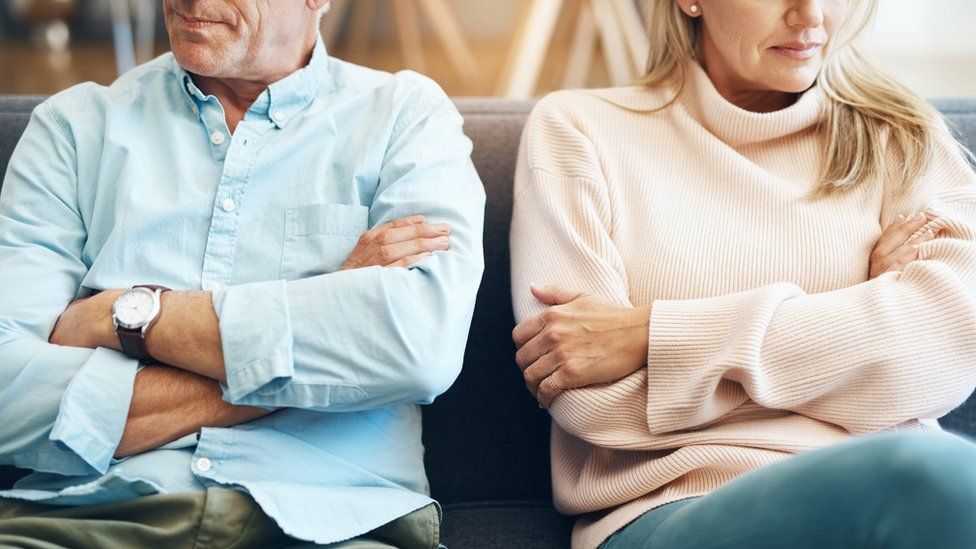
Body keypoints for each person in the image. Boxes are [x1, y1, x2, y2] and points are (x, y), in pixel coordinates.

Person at [0, 0, 484, 547]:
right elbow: (5, 392)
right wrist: (324, 316)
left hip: (335, 527)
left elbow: (418, 347)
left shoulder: (405, 116)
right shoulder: (73, 128)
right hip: (86, 521)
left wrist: (128, 318)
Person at [510, 0, 976, 547]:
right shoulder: (580, 129)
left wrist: (654, 337)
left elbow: (944, 350)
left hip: (893, 508)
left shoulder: (902, 135)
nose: (811, 16)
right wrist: (859, 327)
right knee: (936, 475)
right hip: (679, 509)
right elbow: (590, 400)